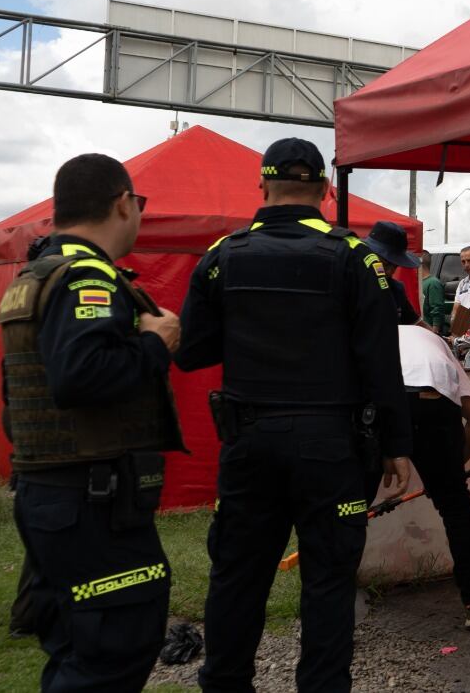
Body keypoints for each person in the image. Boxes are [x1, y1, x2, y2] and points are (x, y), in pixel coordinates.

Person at [175, 138, 411, 693]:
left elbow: (190, 351)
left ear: (262, 184)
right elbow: (381, 361)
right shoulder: (355, 256)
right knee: (328, 584)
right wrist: (397, 445)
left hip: (249, 442)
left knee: (237, 577)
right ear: (325, 190)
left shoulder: (222, 255)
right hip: (331, 447)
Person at [0, 156, 185, 690]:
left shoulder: (36, 274)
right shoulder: (86, 277)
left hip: (52, 491)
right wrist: (156, 343)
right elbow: (81, 377)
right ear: (123, 202)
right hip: (91, 501)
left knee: (75, 644)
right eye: (138, 205)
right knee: (115, 645)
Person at [397, 324, 470, 628]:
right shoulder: (435, 343)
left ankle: (339, 604)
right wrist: (448, 472)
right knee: (455, 507)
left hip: (381, 401)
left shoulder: (371, 330)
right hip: (432, 400)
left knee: (354, 503)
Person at [362, 220, 422, 326]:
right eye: (385, 265)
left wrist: (435, 336)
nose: (390, 272)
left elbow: (415, 322)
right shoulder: (351, 284)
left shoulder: (396, 290)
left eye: (395, 266)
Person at [450, 246, 470, 336]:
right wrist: (454, 331)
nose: (466, 264)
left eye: (469, 261)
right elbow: (456, 309)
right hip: (462, 332)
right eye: (463, 262)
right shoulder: (462, 284)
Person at [419, 249, 450, 336]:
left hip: (429, 333)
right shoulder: (419, 283)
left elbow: (437, 309)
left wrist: (434, 332)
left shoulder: (433, 283)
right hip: (420, 332)